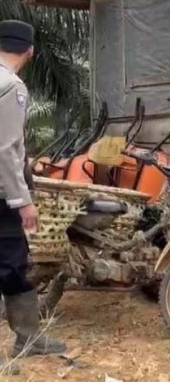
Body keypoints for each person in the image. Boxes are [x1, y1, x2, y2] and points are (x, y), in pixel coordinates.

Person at [0, 20, 66, 374]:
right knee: (13, 262)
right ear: (29, 51)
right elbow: (6, 150)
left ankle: (30, 337)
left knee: (13, 262)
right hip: (1, 196)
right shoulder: (12, 86)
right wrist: (22, 201)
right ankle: (28, 337)